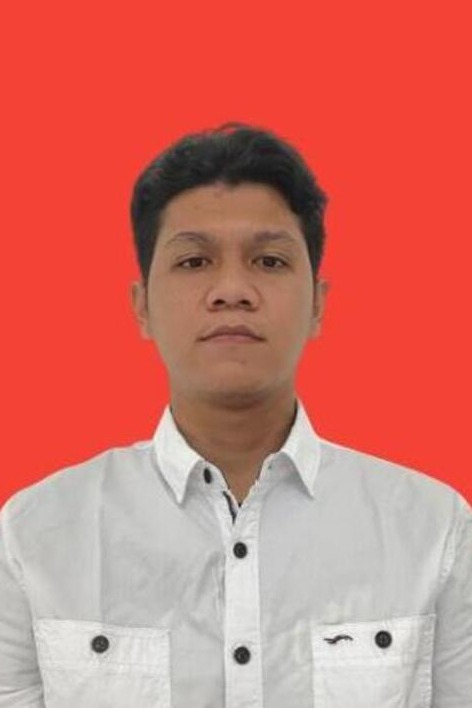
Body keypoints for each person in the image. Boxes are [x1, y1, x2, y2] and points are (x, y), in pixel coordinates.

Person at [0, 122, 470, 708]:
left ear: (317, 305)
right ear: (142, 307)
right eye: (194, 261)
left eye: (269, 261)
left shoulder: (433, 531)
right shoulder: (36, 535)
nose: (231, 289)